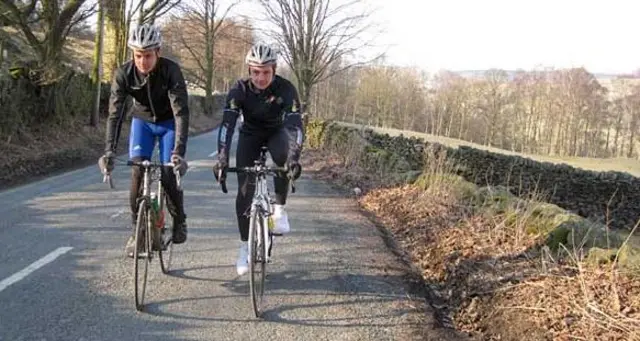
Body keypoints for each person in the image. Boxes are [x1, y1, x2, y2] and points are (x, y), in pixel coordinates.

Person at [98, 23, 190, 257]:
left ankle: (179, 219)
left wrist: (179, 152)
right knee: (138, 171)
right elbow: (115, 115)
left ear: (157, 52)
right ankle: (135, 230)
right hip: (143, 124)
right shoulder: (124, 74)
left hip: (169, 123)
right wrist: (109, 151)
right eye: (138, 55)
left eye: (148, 55)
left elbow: (181, 113)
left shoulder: (171, 71)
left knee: (169, 174)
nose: (143, 61)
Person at [213, 43, 304, 276]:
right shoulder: (239, 90)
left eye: (266, 72)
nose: (260, 77)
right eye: (255, 72)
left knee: (283, 156)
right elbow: (227, 125)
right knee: (244, 192)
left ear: (274, 70)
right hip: (250, 135)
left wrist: (293, 159)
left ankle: (279, 209)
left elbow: (295, 127)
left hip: (277, 132)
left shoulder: (286, 89)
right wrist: (222, 158)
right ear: (249, 70)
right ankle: (245, 246)